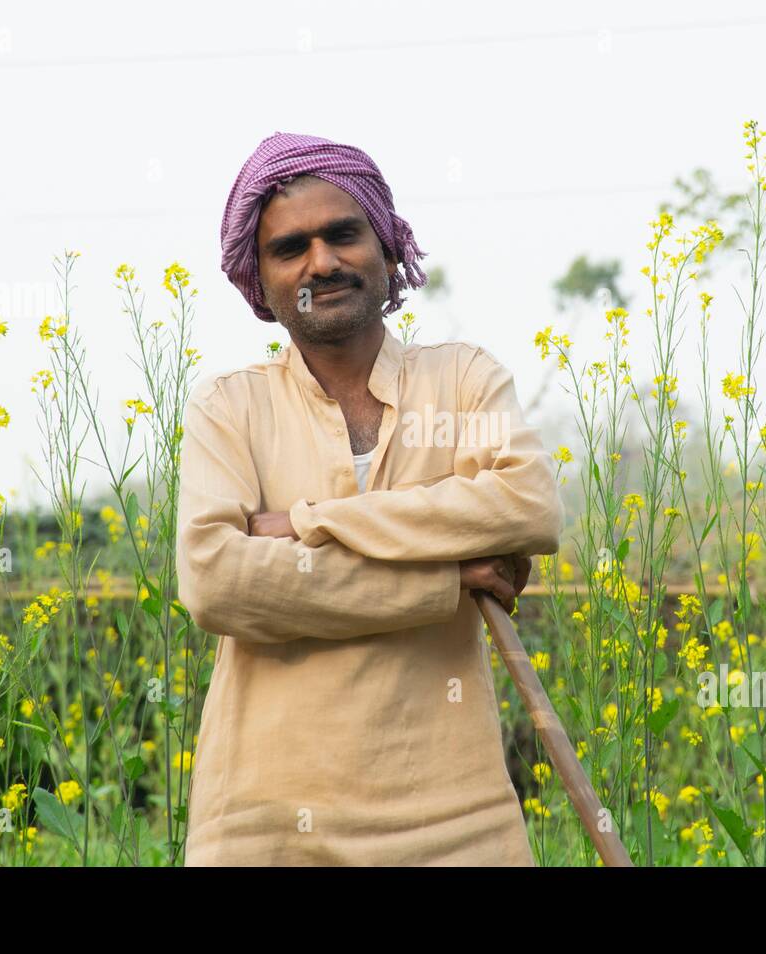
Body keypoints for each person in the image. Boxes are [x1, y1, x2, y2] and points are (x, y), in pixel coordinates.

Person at [176, 131, 563, 865]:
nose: (321, 261)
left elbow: (529, 505)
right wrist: (440, 579)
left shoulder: (464, 380)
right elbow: (216, 582)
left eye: (343, 234)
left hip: (458, 824)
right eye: (290, 248)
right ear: (260, 281)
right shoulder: (229, 409)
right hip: (261, 827)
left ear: (387, 250)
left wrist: (307, 523)